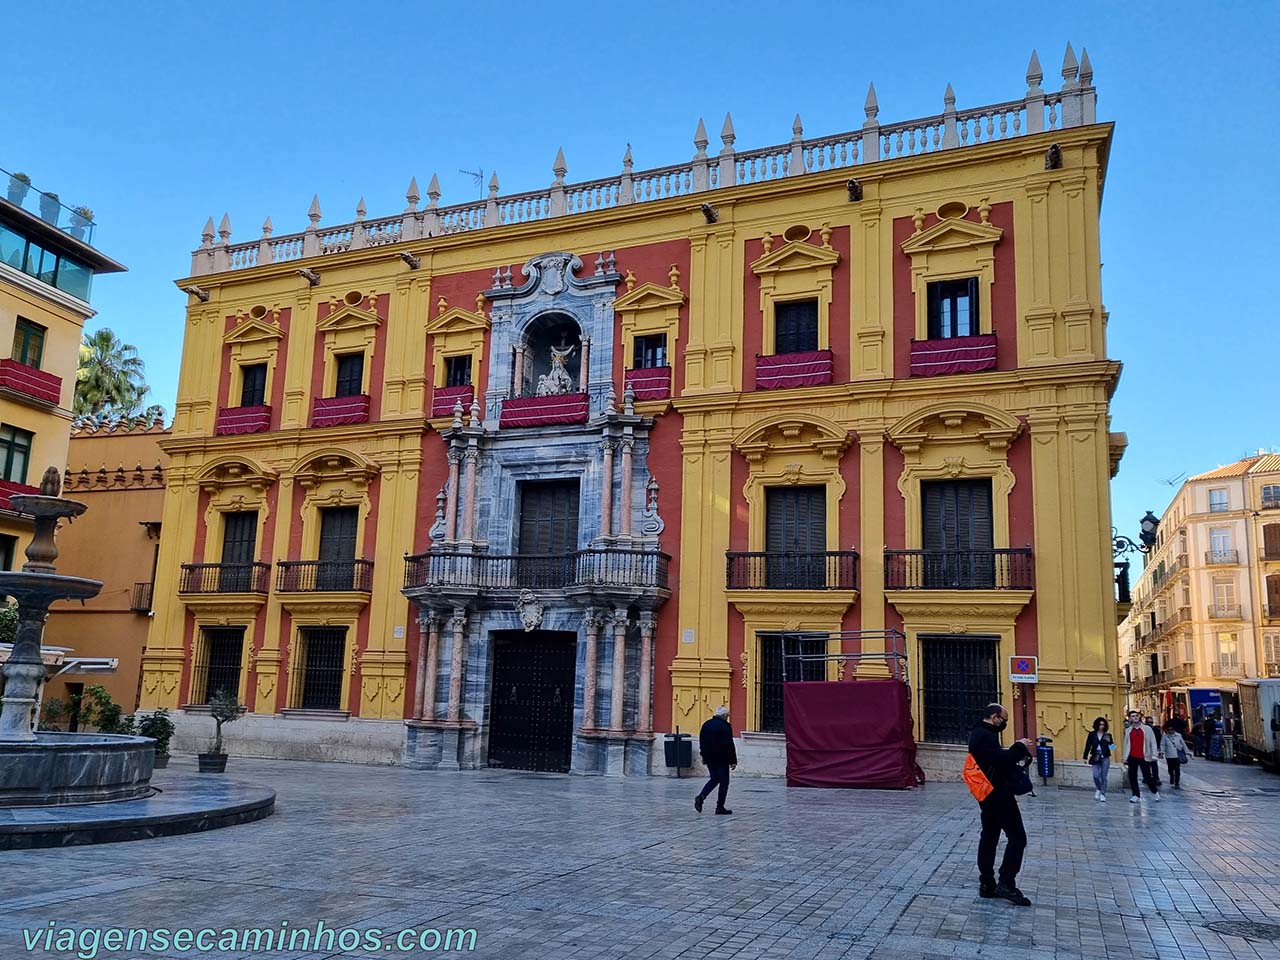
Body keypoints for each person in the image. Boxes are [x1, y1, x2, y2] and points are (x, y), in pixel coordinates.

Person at [968, 703, 1035, 906]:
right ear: (994, 717)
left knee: (989, 837)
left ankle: (987, 884)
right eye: (1004, 720)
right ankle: (1006, 882)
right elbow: (1000, 761)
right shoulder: (983, 735)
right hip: (997, 795)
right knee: (1017, 837)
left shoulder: (981, 733)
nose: (1004, 723)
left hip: (988, 794)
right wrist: (1019, 746)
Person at [694, 705, 737, 815]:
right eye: (727, 716)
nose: (728, 717)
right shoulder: (725, 726)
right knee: (724, 782)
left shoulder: (706, 724)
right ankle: (720, 807)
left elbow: (702, 742)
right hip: (721, 758)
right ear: (724, 715)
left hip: (709, 758)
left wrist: (703, 756)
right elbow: (729, 745)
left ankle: (701, 797)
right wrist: (733, 761)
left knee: (714, 778)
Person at [1121, 710, 1160, 803]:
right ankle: (1135, 795)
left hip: (1144, 756)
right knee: (1132, 776)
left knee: (1147, 776)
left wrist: (1154, 754)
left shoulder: (1147, 729)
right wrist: (1124, 757)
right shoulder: (1128, 731)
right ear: (1130, 719)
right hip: (1132, 756)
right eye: (1133, 716)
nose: (1135, 717)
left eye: (1136, 716)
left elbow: (1153, 742)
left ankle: (1155, 792)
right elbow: (1126, 744)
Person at [1082, 716, 1115, 802]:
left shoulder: (1108, 735)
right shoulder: (1092, 734)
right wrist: (1085, 757)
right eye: (1100, 724)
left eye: (1103, 725)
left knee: (1103, 776)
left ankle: (1103, 794)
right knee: (1096, 775)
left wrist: (1110, 742)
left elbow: (1113, 748)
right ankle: (1098, 789)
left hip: (1105, 757)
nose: (1102, 726)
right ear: (1097, 725)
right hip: (1095, 756)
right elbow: (1088, 745)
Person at [1160, 724, 1188, 789]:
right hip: (1169, 755)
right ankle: (1172, 776)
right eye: (1168, 730)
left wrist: (1187, 752)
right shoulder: (1165, 736)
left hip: (1177, 755)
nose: (1170, 731)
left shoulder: (1178, 735)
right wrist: (1162, 752)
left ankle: (1177, 782)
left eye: (1171, 729)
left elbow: (1183, 744)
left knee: (1177, 769)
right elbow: (1162, 745)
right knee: (1170, 768)